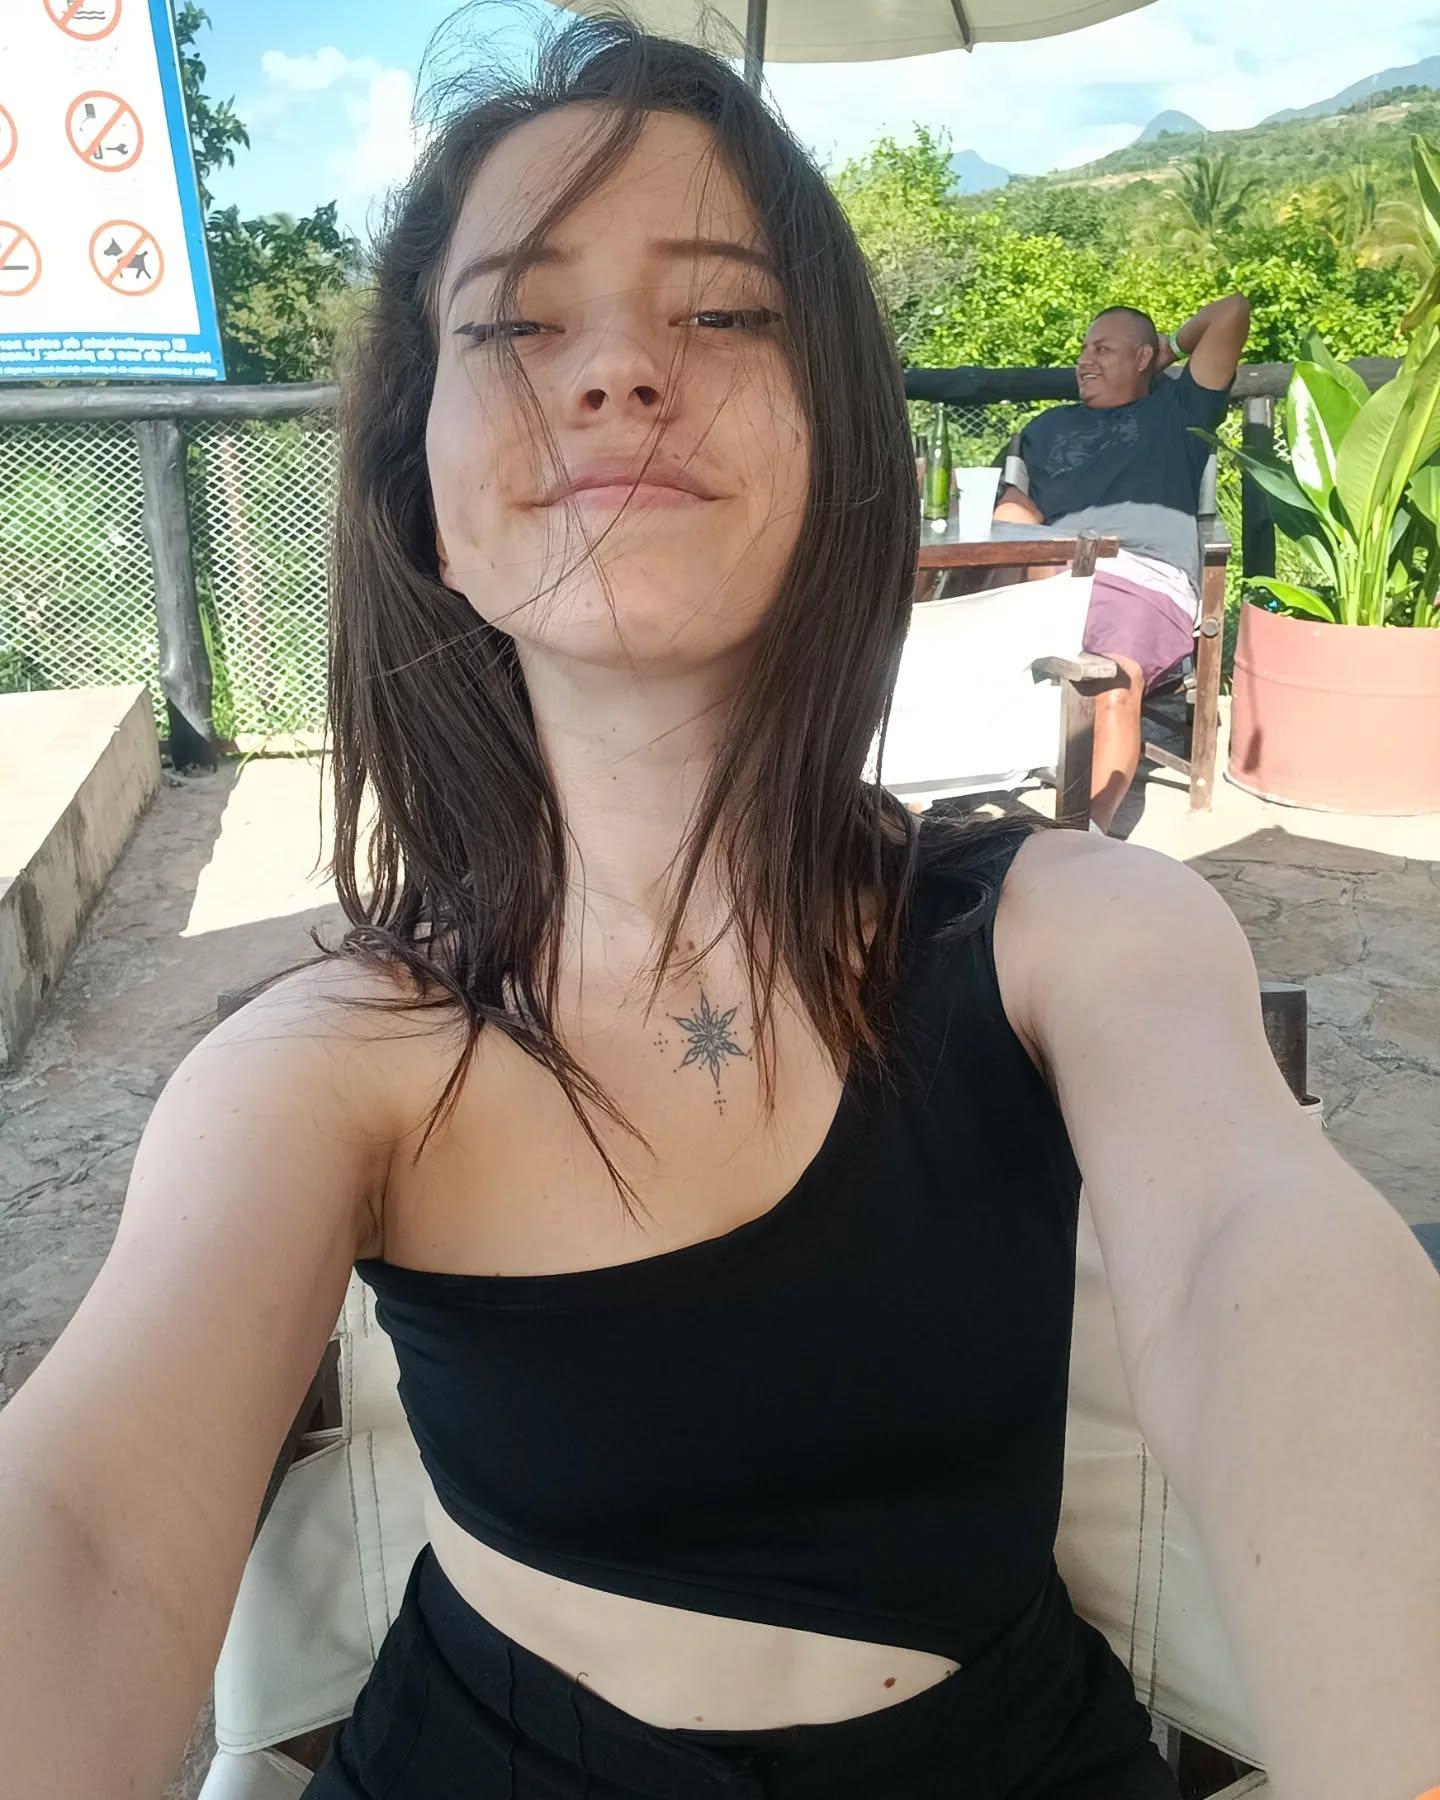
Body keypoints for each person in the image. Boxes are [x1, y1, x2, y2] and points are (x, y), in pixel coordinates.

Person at [2, 19, 1438, 1800]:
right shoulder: (323, 1064)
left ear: (842, 444)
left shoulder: (1080, 936)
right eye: (518, 325)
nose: (618, 367)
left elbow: (1252, 1256)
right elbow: (89, 1528)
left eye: (726, 312)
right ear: (423, 499)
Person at [994, 298, 1251, 832]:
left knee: (1113, 679)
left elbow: (1232, 311)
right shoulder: (1046, 427)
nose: (1084, 361)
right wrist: (1020, 535)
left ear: (1141, 358)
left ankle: (1084, 834)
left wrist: (1169, 350)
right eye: (1084, 350)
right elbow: (1013, 506)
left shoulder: (1178, 411)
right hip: (1055, 572)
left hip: (1142, 579)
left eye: (1103, 349)